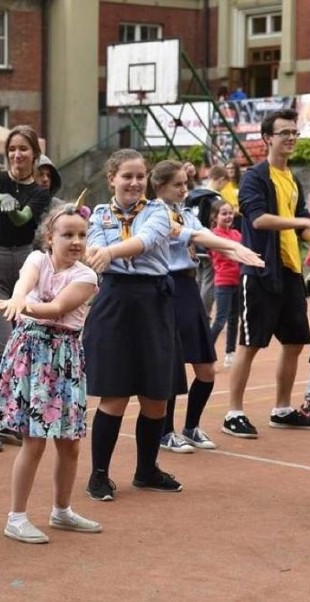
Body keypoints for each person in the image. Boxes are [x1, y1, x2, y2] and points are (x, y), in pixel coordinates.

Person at [0, 202, 101, 544]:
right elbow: (24, 282)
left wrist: (23, 306)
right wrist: (17, 298)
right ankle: (16, 517)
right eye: (67, 234)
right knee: (33, 440)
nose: (76, 241)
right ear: (49, 238)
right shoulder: (37, 259)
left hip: (64, 357)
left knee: (70, 444)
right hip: (31, 354)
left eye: (81, 234)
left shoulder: (87, 277)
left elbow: (56, 309)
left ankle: (62, 511)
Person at [82, 148, 182, 501]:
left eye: (140, 176)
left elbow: (147, 240)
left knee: (156, 397)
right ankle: (99, 475)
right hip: (114, 302)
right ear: (112, 179)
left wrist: (109, 252)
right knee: (115, 396)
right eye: (127, 176)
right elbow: (92, 247)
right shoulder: (97, 215)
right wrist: (100, 251)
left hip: (152, 302)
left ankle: (146, 470)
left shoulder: (159, 211)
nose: (135, 183)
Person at [149, 160, 263, 454]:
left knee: (206, 368)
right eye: (177, 184)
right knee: (171, 366)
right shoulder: (153, 214)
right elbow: (194, 236)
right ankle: (165, 432)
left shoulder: (187, 212)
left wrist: (236, 249)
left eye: (185, 184)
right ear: (160, 187)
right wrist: (233, 248)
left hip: (188, 287)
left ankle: (191, 427)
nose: (184, 189)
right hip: (165, 287)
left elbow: (206, 237)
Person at [224, 109, 310, 436]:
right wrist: (302, 222)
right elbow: (259, 219)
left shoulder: (291, 178)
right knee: (250, 344)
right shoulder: (254, 177)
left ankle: (282, 408)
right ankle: (233, 412)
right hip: (260, 271)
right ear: (268, 138)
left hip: (290, 272)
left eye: (294, 132)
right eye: (284, 133)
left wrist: (308, 227)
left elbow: (304, 225)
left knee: (294, 342)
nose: (291, 137)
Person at [0, 126, 52, 451]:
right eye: (12, 149)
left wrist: (14, 207)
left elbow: (22, 220)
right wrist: (0, 197)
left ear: (34, 153)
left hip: (25, 267)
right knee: (5, 345)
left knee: (25, 346)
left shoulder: (40, 191)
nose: (17, 155)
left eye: (24, 149)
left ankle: (8, 418)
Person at [209, 199, 243, 368]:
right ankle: (206, 352)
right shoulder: (213, 235)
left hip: (238, 281)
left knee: (234, 319)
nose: (228, 216)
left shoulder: (237, 234)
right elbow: (227, 254)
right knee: (220, 320)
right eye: (224, 213)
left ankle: (230, 352)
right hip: (223, 281)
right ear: (215, 217)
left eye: (230, 213)